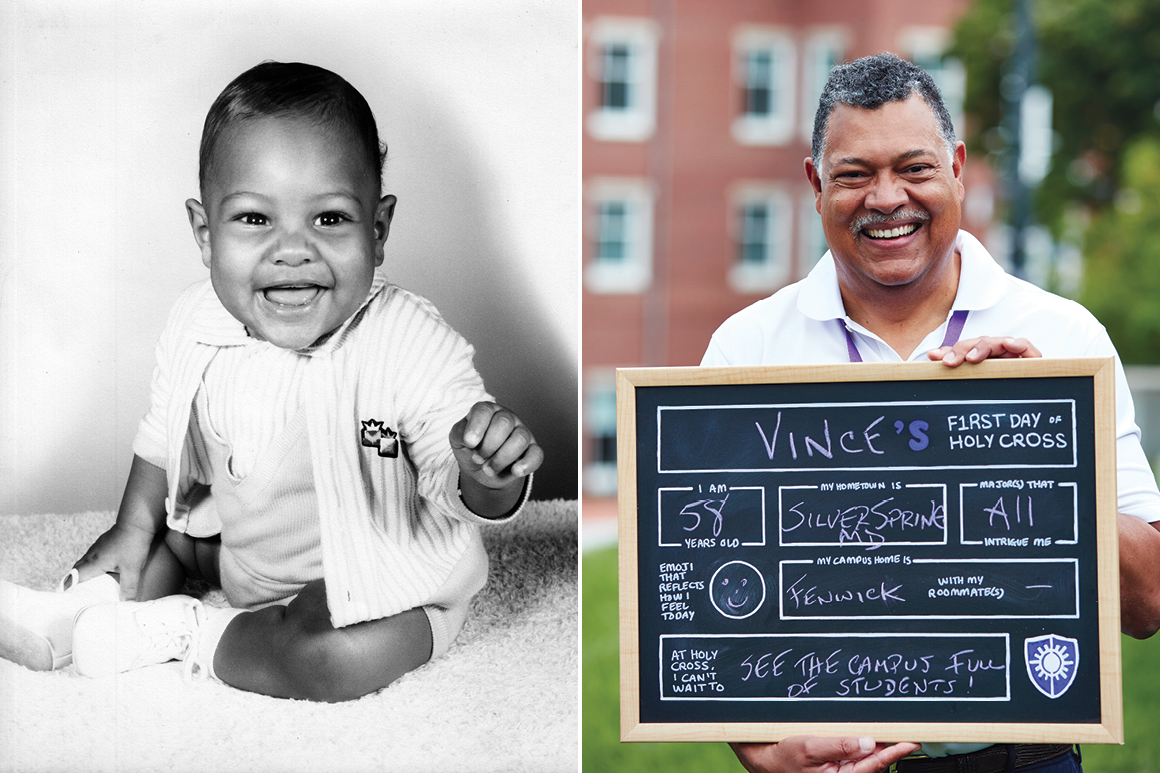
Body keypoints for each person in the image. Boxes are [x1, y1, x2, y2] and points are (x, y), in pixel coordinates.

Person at [0, 61, 543, 702]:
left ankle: (193, 632)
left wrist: (486, 471)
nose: (292, 249)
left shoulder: (406, 340)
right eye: (255, 220)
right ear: (205, 235)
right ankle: (75, 616)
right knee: (149, 548)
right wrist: (133, 528)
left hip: (382, 582)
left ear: (379, 228)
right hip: (242, 556)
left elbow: (446, 472)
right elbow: (159, 437)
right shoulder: (198, 320)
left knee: (333, 660)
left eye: (330, 219)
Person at [702, 52, 1160, 772]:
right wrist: (758, 747)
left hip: (1025, 757)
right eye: (854, 174)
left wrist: (1046, 444)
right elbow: (706, 589)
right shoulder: (746, 348)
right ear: (816, 183)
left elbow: (1147, 603)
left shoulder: (1066, 337)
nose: (887, 198)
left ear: (958, 169)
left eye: (914, 169)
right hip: (838, 757)